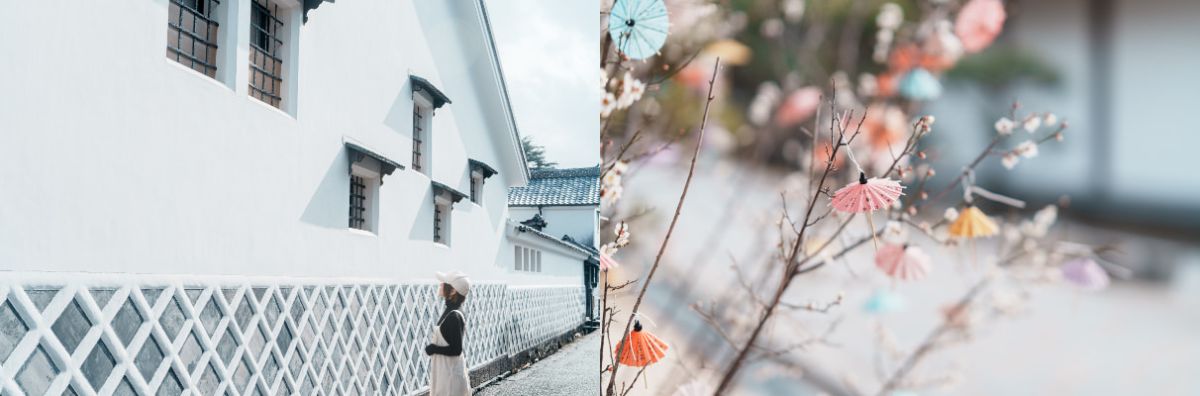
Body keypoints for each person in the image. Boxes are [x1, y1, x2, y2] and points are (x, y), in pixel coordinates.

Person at [426, 271, 471, 396]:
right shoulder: (451, 311)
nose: (440, 285)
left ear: (452, 291)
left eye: (444, 283)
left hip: (450, 377)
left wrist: (433, 348)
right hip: (445, 371)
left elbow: (456, 350)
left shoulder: (454, 316)